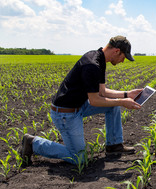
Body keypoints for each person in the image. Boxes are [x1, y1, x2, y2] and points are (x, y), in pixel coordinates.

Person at [19, 35, 143, 165]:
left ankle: (114, 145)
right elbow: (95, 100)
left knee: (113, 106)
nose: (123, 61)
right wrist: (123, 102)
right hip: (65, 114)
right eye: (124, 57)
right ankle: (33, 144)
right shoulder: (92, 65)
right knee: (79, 158)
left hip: (79, 105)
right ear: (117, 51)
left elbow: (102, 92)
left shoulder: (100, 59)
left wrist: (127, 94)